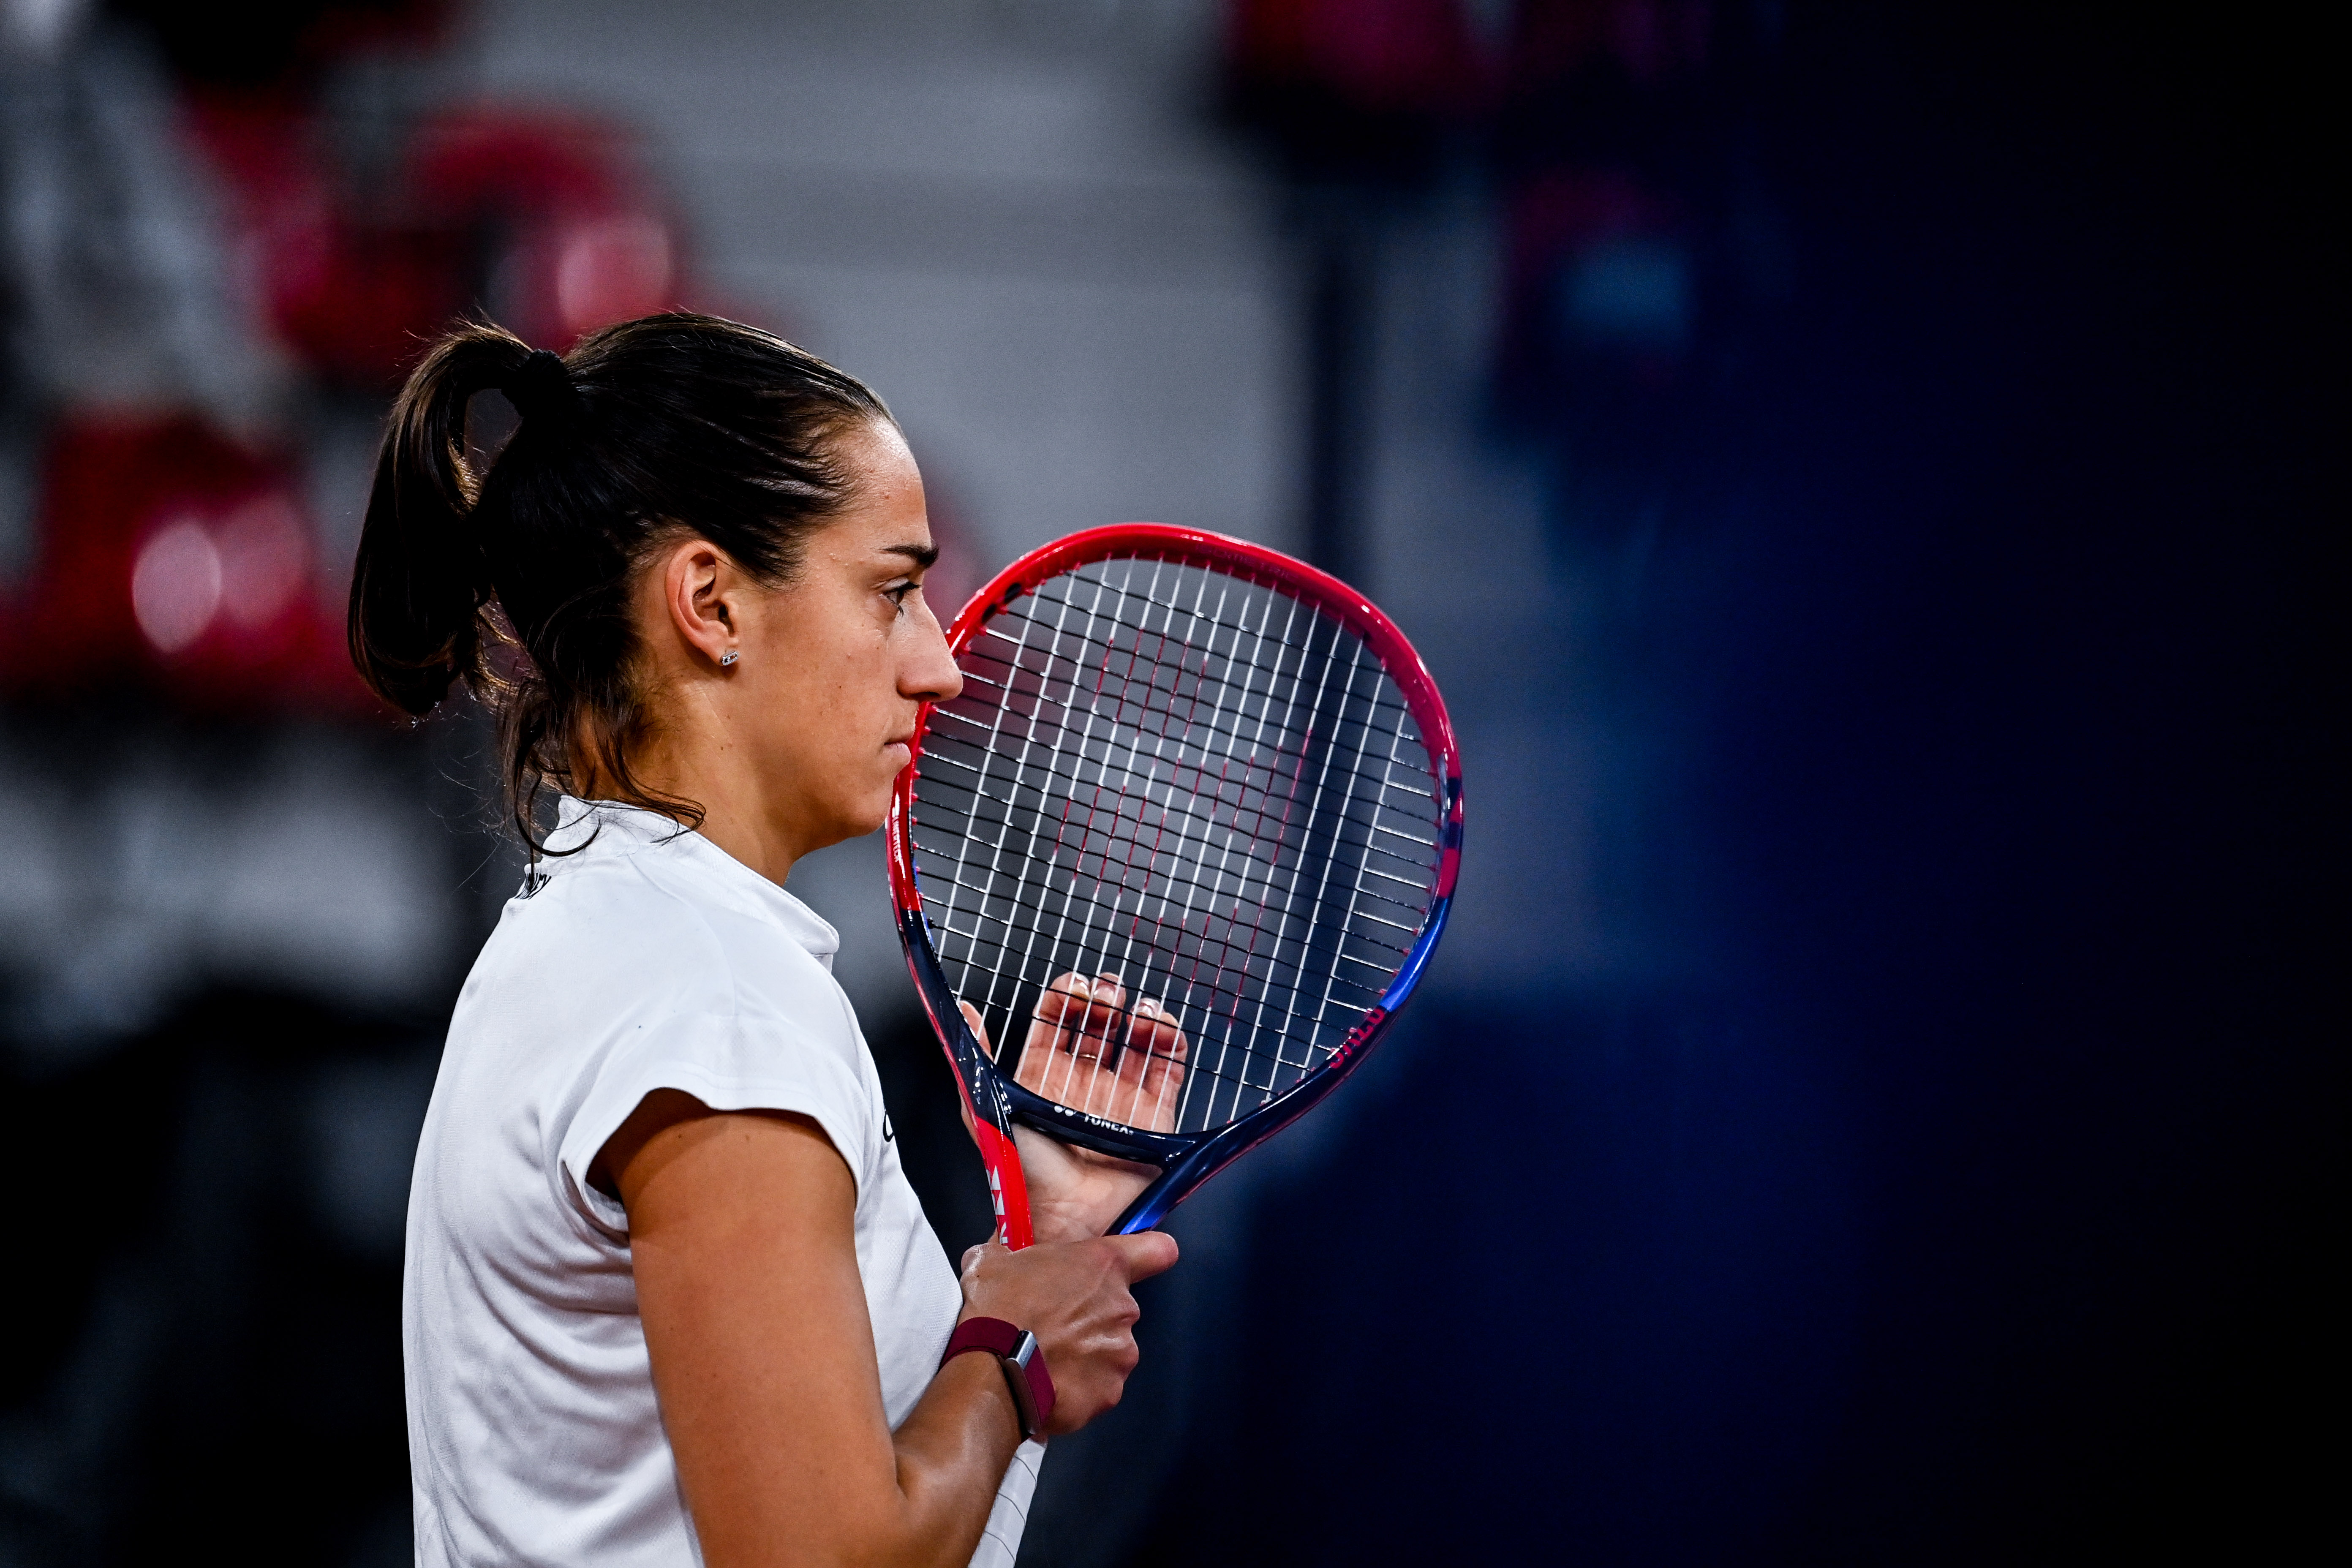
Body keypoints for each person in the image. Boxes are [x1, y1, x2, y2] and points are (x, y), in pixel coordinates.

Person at [351, 313, 1182, 1568]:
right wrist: (1008, 1359)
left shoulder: (611, 943)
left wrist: (1043, 1257)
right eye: (894, 592)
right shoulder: (712, 1008)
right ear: (710, 602)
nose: (941, 666)